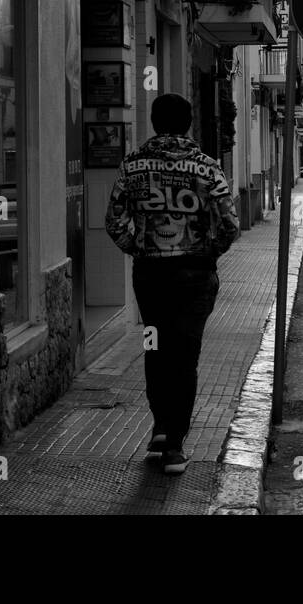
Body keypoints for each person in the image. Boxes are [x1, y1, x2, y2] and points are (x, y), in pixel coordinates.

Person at [105, 94, 239, 475]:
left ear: (152, 121)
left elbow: (114, 221)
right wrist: (208, 251)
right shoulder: (207, 168)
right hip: (194, 277)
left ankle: (160, 428)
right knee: (185, 354)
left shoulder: (132, 166)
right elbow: (229, 224)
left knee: (155, 346)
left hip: (150, 278)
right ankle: (175, 443)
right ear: (189, 123)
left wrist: (139, 247)